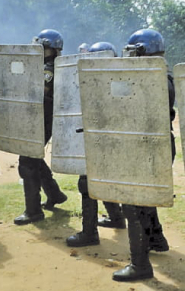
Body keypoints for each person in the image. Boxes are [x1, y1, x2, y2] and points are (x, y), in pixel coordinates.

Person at [112, 29, 174, 282]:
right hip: (153, 144)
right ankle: (157, 239)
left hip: (149, 145)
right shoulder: (159, 75)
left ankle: (140, 265)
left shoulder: (156, 78)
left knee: (134, 202)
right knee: (145, 198)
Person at [66, 41, 126, 248]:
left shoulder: (108, 80)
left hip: (105, 140)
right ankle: (116, 218)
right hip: (113, 140)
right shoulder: (122, 77)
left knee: (88, 182)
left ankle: (89, 233)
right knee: (103, 179)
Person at [13, 29, 68, 225]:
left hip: (43, 118)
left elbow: (40, 90)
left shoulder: (49, 67)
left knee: (27, 162)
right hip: (40, 117)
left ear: (48, 48)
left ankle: (33, 211)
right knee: (34, 157)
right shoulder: (44, 65)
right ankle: (55, 194)